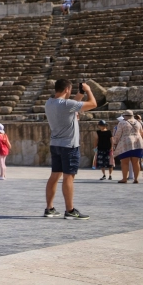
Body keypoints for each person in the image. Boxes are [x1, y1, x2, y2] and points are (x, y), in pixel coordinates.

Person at [44, 79, 96, 219]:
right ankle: (70, 210)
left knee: (54, 176)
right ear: (67, 89)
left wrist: (80, 93)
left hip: (56, 144)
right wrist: (88, 90)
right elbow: (93, 104)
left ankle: (49, 208)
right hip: (69, 146)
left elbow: (71, 104)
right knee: (68, 177)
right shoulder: (67, 105)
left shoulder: (49, 103)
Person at [112, 110, 143, 184]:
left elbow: (118, 134)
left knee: (124, 162)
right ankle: (136, 179)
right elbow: (141, 133)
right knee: (136, 162)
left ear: (124, 116)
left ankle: (124, 179)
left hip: (125, 143)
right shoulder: (138, 122)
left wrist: (115, 143)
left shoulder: (122, 123)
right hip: (138, 143)